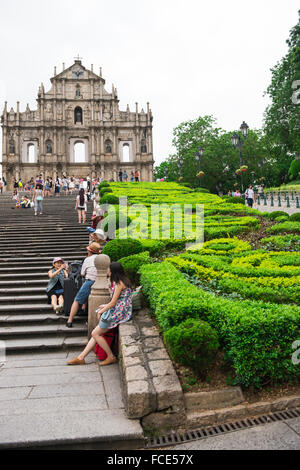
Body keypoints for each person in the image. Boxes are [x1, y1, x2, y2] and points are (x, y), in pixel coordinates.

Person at [67, 262, 133, 366]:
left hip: (119, 312)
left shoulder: (119, 283)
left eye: (109, 269)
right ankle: (81, 357)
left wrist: (102, 311)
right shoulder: (121, 281)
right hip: (120, 309)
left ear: (113, 271)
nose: (107, 271)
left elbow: (113, 302)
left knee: (95, 333)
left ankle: (110, 356)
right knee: (95, 333)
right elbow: (117, 301)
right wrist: (104, 307)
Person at [66, 242, 101, 327]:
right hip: (101, 282)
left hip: (90, 281)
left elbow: (82, 273)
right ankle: (84, 308)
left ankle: (69, 321)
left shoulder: (87, 259)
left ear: (89, 251)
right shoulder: (102, 258)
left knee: (77, 300)